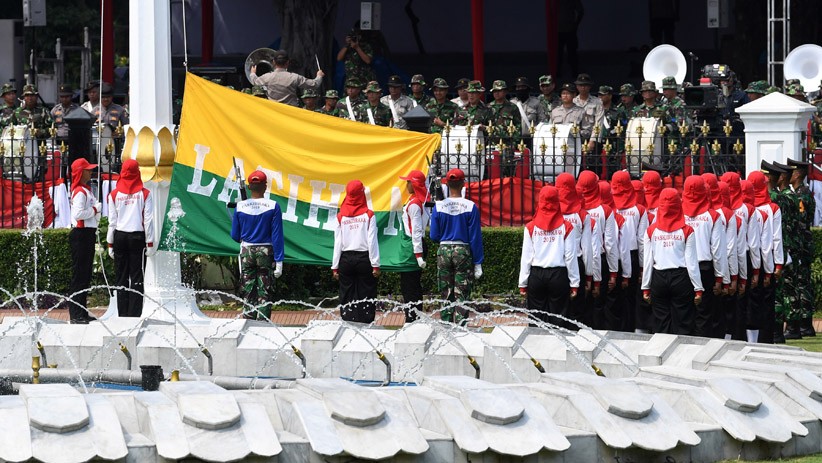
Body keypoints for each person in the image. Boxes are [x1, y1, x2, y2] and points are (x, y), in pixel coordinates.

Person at [641, 188, 702, 334]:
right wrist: (698, 288)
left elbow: (648, 261)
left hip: (659, 278)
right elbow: (691, 262)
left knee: (661, 323)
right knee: (683, 322)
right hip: (681, 278)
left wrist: (645, 287)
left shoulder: (651, 231)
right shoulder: (687, 231)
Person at [518, 186, 580, 326]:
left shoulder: (531, 227)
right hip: (558, 275)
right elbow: (570, 257)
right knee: (560, 318)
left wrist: (523, 283)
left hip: (536, 275)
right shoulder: (567, 227)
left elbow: (526, 257)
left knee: (536, 319)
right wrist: (574, 283)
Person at [429, 168, 484, 324]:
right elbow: (475, 237)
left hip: (444, 250)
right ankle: (461, 325)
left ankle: (446, 324)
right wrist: (478, 262)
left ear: (446, 184)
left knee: (445, 292)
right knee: (462, 293)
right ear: (463, 184)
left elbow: (434, 235)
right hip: (463, 251)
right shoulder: (470, 206)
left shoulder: (439, 206)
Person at [230, 170, 284, 321]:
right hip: (266, 251)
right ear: (265, 187)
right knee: (264, 289)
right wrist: (279, 261)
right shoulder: (273, 206)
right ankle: (263, 323)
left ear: (249, 187)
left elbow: (235, 235)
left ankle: (248, 321)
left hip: (247, 251)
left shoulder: (240, 207)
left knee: (248, 288)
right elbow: (277, 235)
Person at [106, 159, 155, 317]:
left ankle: (122, 314)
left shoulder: (113, 195)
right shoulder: (145, 194)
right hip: (137, 237)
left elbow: (112, 222)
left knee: (121, 277)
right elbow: (148, 220)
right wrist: (150, 242)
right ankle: (134, 314)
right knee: (137, 277)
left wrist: (110, 244)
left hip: (119, 236)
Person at [681, 175, 726, 338]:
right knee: (704, 313)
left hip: (683, 268)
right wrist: (720, 277)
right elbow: (718, 250)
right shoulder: (712, 216)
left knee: (685, 312)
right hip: (704, 267)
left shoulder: (675, 213)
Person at [332, 180, 380, 323]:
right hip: (364, 259)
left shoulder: (341, 216)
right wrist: (375, 264)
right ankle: (366, 322)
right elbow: (372, 241)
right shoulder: (369, 215)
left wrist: (335, 267)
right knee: (367, 293)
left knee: (346, 295)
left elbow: (338, 242)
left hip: (346, 259)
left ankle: (347, 322)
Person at [576, 171, 620, 328]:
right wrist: (614, 273)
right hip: (600, 261)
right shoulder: (605, 211)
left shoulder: (575, 210)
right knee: (599, 305)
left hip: (579, 261)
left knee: (580, 306)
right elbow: (610, 244)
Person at [556, 173, 598, 327]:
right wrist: (588, 276)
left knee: (557, 309)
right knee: (576, 311)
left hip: (557, 265)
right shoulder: (582, 215)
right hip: (577, 264)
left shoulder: (550, 211)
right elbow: (587, 248)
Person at [611, 171, 649, 333]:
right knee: (630, 297)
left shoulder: (609, 207)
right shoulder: (639, 210)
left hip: (612, 256)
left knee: (613, 297)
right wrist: (642, 266)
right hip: (632, 256)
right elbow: (642, 240)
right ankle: (630, 330)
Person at [748, 169, 783, 344]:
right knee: (767, 302)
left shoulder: (745, 208)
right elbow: (776, 238)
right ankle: (767, 339)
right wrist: (777, 265)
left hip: (749, 262)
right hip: (766, 260)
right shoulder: (772, 209)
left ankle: (752, 340)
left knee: (751, 302)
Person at [67, 158, 102, 324]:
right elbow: (78, 214)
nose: (91, 172)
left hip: (87, 234)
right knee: (79, 275)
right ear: (80, 173)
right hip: (81, 234)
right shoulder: (80, 191)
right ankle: (75, 313)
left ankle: (81, 310)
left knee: (85, 275)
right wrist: (95, 209)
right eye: (87, 170)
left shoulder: (85, 190)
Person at [721, 171, 754, 341]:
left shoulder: (718, 211)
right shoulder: (746, 209)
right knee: (740, 303)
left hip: (721, 260)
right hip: (742, 256)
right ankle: (738, 338)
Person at [786, 158, 816, 337]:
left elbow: (800, 221)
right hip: (802, 243)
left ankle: (804, 323)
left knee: (800, 283)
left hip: (800, 244)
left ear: (797, 174)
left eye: (792, 172)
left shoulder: (801, 195)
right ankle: (805, 323)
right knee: (801, 282)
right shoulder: (801, 192)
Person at [399, 169, 429, 323]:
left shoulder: (415, 204)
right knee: (411, 284)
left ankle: (412, 319)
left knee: (410, 286)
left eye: (408, 182)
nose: (406, 184)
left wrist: (418, 254)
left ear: (414, 184)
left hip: (414, 246)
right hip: (415, 245)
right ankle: (413, 317)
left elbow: (416, 230)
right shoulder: (417, 201)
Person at [250, 50, 324, 107]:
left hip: (274, 111)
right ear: (287, 62)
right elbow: (314, 84)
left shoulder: (267, 77)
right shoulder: (294, 77)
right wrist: (319, 76)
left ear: (274, 62)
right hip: (291, 113)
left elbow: (255, 82)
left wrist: (253, 73)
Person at [740, 178, 764, 342]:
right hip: (747, 256)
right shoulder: (749, 210)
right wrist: (756, 269)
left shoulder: (727, 209)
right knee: (750, 300)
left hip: (729, 257)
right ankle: (751, 339)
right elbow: (754, 243)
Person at [573, 74, 604, 153]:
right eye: (581, 85)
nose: (583, 87)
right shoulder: (573, 101)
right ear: (577, 86)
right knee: (572, 163)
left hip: (591, 136)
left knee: (592, 163)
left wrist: (593, 140)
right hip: (575, 137)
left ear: (590, 86)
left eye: (585, 85)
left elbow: (599, 122)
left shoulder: (597, 102)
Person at [487, 80, 522, 145]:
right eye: (495, 91)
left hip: (508, 143)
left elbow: (518, 126)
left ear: (505, 91)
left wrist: (514, 143)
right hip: (491, 144)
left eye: (499, 91)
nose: (496, 93)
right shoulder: (488, 107)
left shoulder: (513, 107)